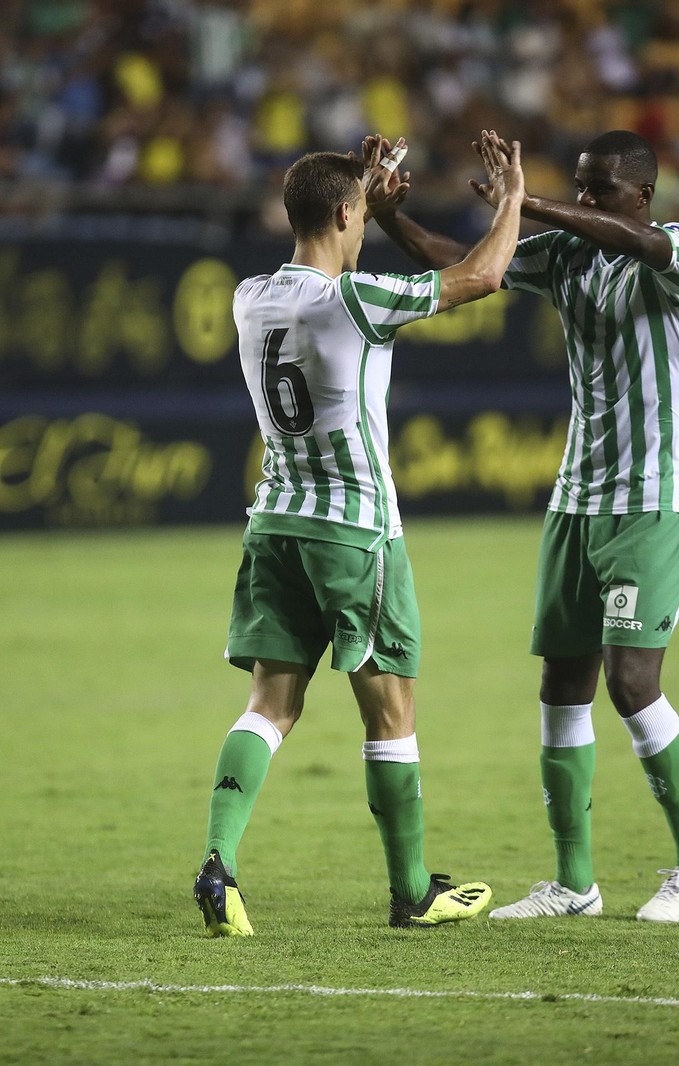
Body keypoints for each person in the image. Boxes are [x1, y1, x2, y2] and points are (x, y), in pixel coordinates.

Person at [368, 130, 679, 923]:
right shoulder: (566, 257)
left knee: (632, 683)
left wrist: (528, 200)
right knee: (563, 687)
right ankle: (575, 883)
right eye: (581, 186)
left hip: (652, 500)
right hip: (577, 499)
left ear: (643, 195)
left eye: (600, 189)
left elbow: (638, 244)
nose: (589, 200)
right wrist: (392, 216)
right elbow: (461, 259)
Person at [193, 131, 527, 934]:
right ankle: (412, 891)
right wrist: (514, 195)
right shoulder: (356, 301)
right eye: (359, 214)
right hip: (356, 534)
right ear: (348, 212)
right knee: (391, 712)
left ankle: (219, 863)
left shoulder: (249, 297)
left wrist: (361, 193)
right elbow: (483, 273)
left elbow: (323, 244)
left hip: (275, 524)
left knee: (269, 705)